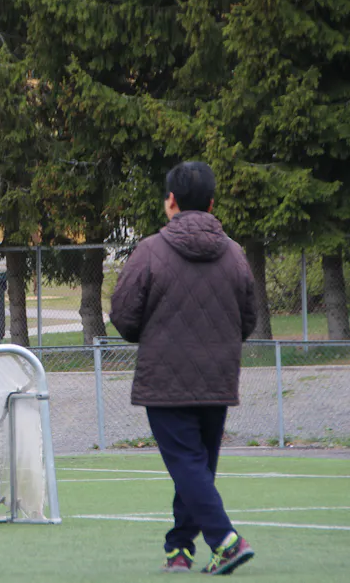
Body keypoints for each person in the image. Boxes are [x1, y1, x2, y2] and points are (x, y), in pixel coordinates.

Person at [109, 162, 257, 575]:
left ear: (170, 201)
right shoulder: (234, 252)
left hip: (166, 377)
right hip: (218, 376)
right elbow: (249, 319)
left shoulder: (151, 250)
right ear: (211, 204)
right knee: (197, 467)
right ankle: (180, 547)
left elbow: (123, 315)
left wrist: (152, 336)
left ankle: (225, 540)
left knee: (187, 465)